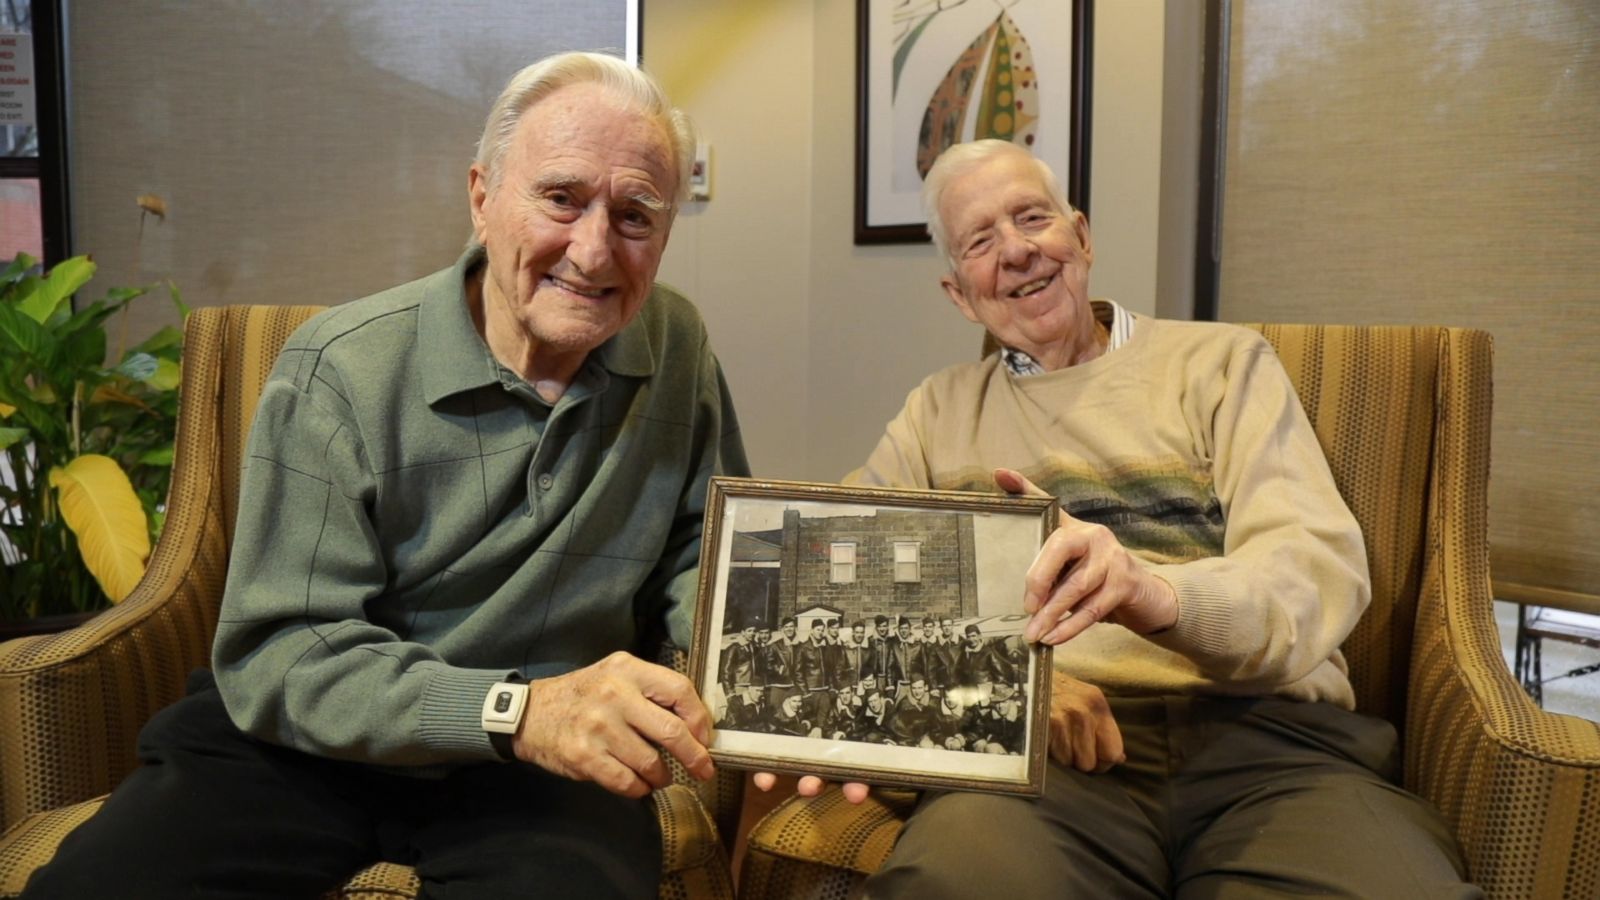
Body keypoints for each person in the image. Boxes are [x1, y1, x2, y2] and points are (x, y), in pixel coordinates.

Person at [23, 51, 749, 900]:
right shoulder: (340, 368)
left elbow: (710, 554)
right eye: (561, 197)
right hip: (309, 744)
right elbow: (286, 652)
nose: (593, 251)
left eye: (634, 215)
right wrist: (516, 711)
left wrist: (792, 714)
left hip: (548, 772)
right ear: (482, 197)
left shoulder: (677, 345)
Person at [848, 139, 1478, 897]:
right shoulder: (936, 413)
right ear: (959, 293)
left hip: (1271, 748)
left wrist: (1161, 598)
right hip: (1044, 765)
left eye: (1032, 218)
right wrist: (1005, 686)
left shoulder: (1220, 365)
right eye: (981, 241)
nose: (1015, 251)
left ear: (1080, 236)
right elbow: (839, 580)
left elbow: (1311, 569)